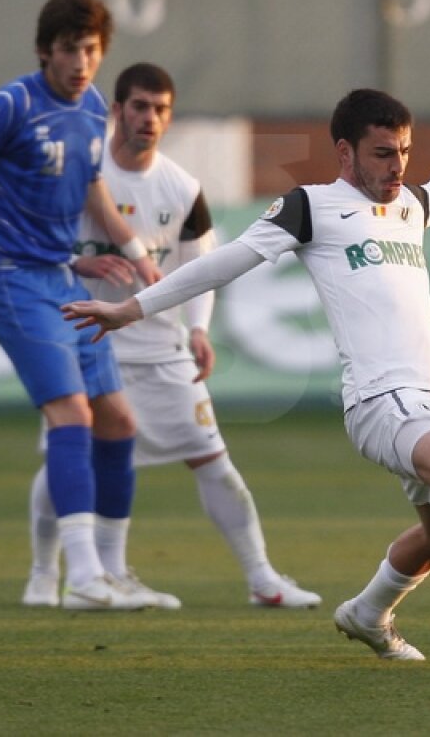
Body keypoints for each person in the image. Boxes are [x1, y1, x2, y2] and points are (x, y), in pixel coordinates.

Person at [63, 89, 430, 659]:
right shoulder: (311, 207)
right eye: (383, 153)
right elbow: (225, 260)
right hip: (379, 401)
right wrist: (131, 307)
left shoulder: (409, 204)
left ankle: (367, 613)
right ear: (345, 152)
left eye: (405, 151)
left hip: (428, 401)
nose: (398, 165)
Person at [23, 63, 321, 610]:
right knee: (65, 459)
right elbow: (34, 247)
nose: (150, 118)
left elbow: (197, 266)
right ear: (116, 111)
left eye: (160, 109)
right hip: (87, 342)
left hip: (162, 352)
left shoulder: (182, 188)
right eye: (139, 106)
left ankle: (263, 579)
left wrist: (200, 329)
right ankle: (45, 574)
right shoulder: (78, 177)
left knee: (214, 460)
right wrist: (77, 265)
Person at [0, 0, 165, 610]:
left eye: (92, 50)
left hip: (60, 276)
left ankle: (109, 572)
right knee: (71, 415)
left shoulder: (89, 108)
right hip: (6, 274)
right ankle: (78, 576)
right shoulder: (9, 106)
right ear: (44, 51)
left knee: (118, 422)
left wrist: (138, 257)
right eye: (69, 50)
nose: (82, 61)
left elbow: (91, 190)